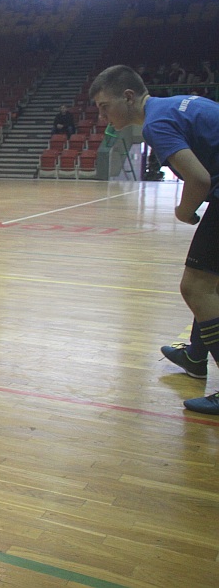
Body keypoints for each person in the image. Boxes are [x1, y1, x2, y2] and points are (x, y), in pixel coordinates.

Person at [90, 64, 219, 415]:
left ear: (129, 96)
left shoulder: (157, 123)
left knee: (196, 287)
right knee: (210, 280)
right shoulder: (171, 105)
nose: (103, 116)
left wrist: (182, 211)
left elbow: (199, 179)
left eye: (105, 106)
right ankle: (195, 355)